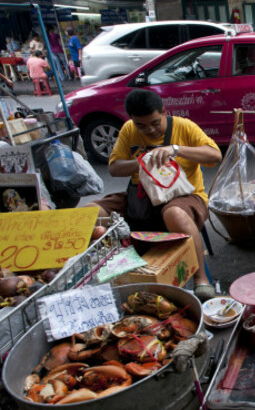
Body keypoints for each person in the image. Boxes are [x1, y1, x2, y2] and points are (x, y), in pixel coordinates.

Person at [84, 89, 222, 301]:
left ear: (164, 112)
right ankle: (112, 271)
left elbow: (214, 156)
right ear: (132, 120)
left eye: (155, 123)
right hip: (141, 198)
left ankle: (201, 279)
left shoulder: (184, 127)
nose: (149, 130)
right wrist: (141, 162)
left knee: (174, 214)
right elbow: (114, 168)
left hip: (183, 196)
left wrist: (175, 149)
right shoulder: (129, 130)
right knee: (89, 213)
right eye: (142, 125)